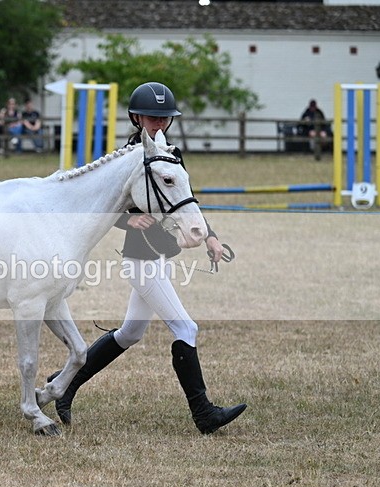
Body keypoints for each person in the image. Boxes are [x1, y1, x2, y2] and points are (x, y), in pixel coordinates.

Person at [47, 82, 247, 435]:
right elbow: (104, 208)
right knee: (186, 328)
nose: (158, 124)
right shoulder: (128, 157)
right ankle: (204, 415)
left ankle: (62, 386)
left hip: (162, 254)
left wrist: (210, 237)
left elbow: (186, 201)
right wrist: (128, 219)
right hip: (141, 258)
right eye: (152, 117)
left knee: (130, 332)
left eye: (164, 118)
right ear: (136, 117)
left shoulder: (171, 153)